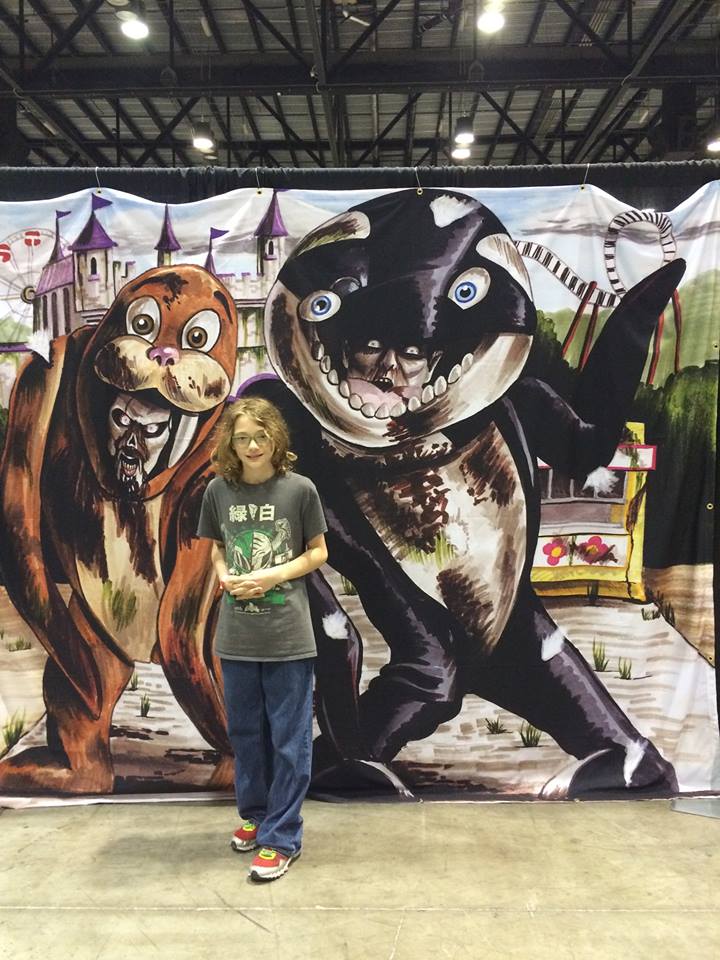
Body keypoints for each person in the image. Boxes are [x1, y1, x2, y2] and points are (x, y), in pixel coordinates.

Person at [196, 396, 328, 883]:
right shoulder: (218, 491)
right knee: (245, 735)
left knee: (290, 741)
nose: (252, 446)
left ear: (276, 437)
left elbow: (317, 552)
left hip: (288, 636)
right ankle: (255, 815)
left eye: (261, 435)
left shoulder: (300, 489)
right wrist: (224, 575)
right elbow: (216, 550)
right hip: (236, 636)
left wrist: (271, 576)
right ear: (231, 444)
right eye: (242, 438)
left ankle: (282, 837)